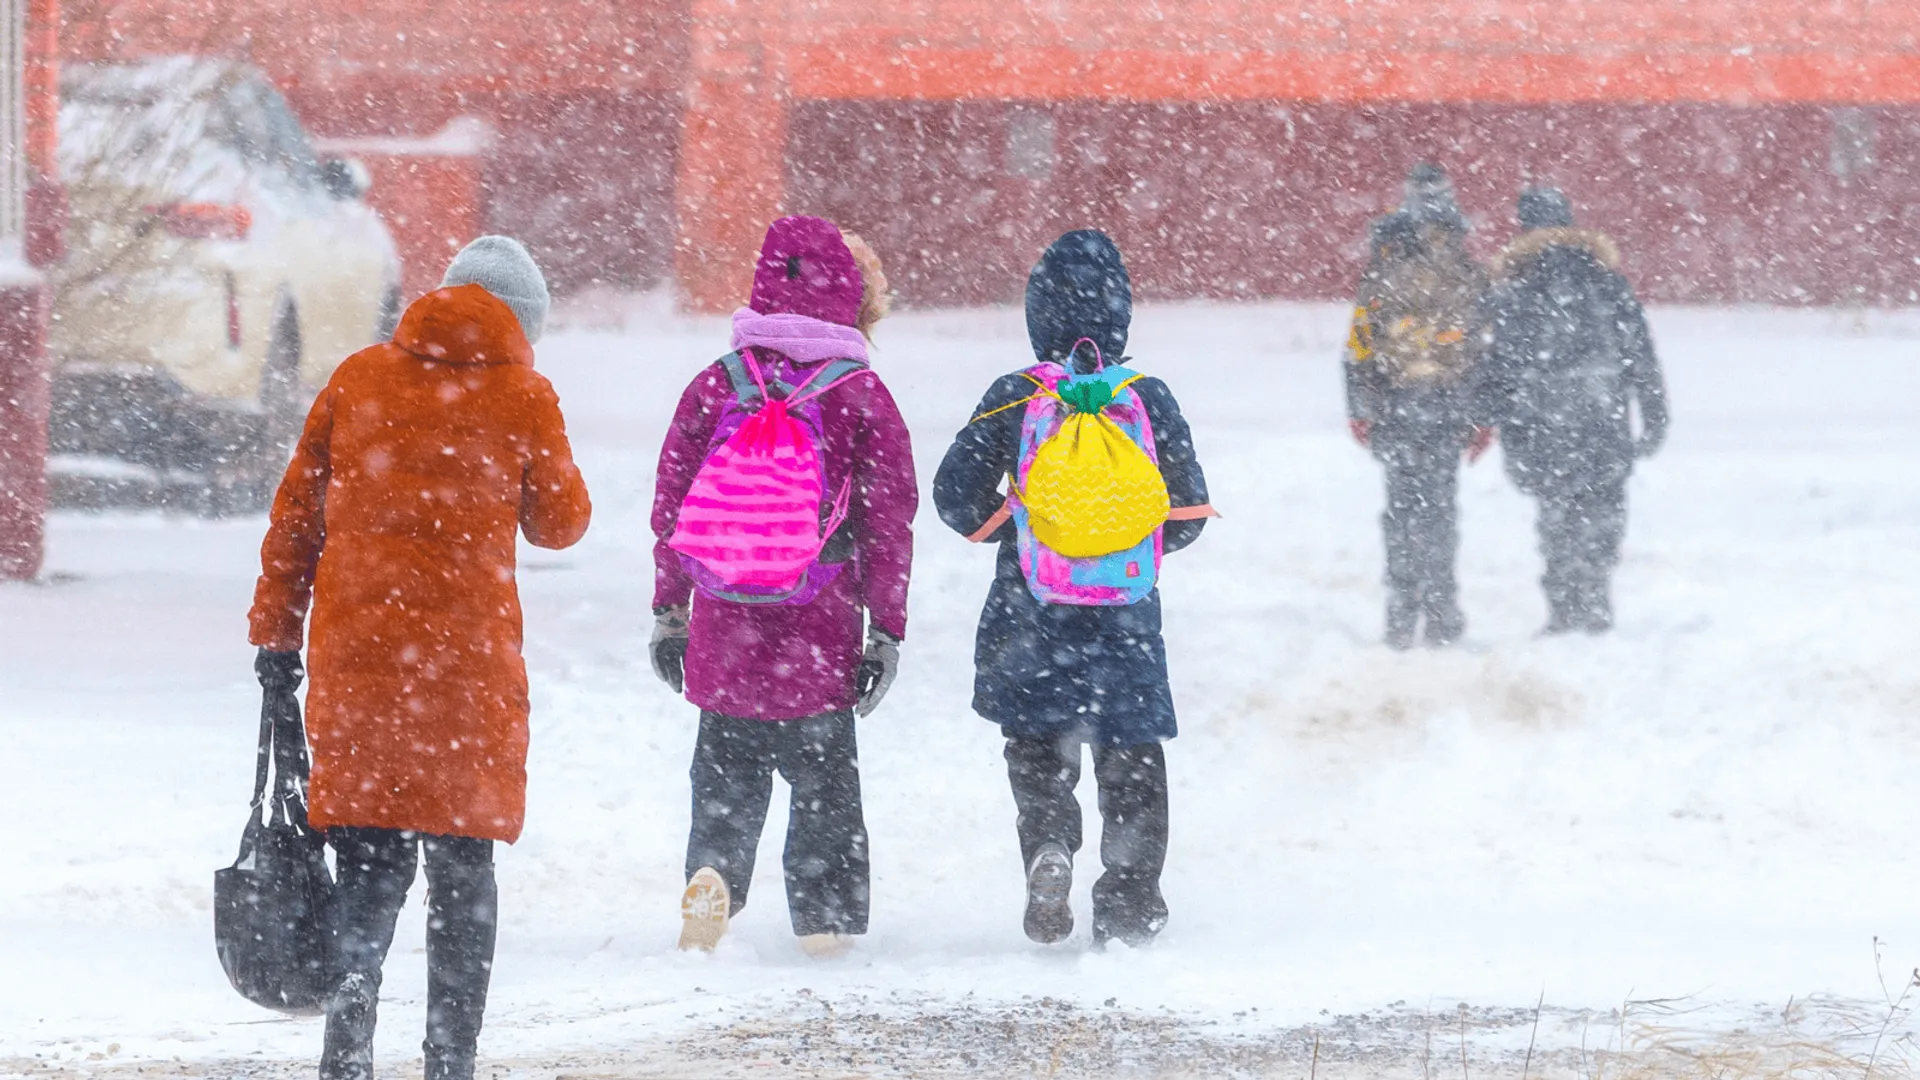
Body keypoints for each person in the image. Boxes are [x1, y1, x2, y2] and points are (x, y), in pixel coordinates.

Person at [248, 236, 592, 1080]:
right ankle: (450, 1059)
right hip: (463, 675)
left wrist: (274, 636)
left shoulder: (359, 378)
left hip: (361, 660)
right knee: (463, 868)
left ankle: (351, 1027)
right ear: (522, 323)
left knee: (368, 861)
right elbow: (562, 523)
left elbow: (295, 519)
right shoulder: (524, 394)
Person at [933, 229, 1213, 948]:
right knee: (1133, 760)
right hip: (1125, 622)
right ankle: (1128, 904)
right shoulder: (1145, 398)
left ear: (1038, 314)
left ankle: (1050, 848)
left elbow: (954, 496)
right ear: (1121, 316)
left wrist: (1025, 534)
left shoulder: (1014, 396)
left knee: (1035, 750)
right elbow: (1185, 513)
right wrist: (1124, 546)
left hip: (1032, 617)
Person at [648, 216, 916, 959]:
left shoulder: (716, 383)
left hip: (725, 614)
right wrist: (885, 628)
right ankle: (826, 916)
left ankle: (714, 874)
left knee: (725, 766)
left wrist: (670, 611)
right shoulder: (860, 394)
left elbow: (672, 505)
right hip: (820, 618)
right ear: (850, 297)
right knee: (824, 777)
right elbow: (890, 520)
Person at [1476, 187, 1668, 633]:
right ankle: (1596, 600)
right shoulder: (1606, 279)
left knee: (1556, 515)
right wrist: (1654, 412)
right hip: (1603, 416)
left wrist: (1487, 414)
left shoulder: (1516, 286)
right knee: (1602, 509)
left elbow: (1500, 361)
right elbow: (1640, 352)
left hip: (1543, 422)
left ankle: (1564, 607)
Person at [1344, 163, 1493, 649]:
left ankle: (1402, 613)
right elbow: (1484, 349)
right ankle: (1442, 613)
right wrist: (1482, 414)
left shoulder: (1383, 270)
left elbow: (1359, 346)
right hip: (1448, 407)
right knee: (1440, 511)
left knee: (1402, 511)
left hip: (1397, 407)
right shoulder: (1469, 273)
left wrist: (1362, 408)